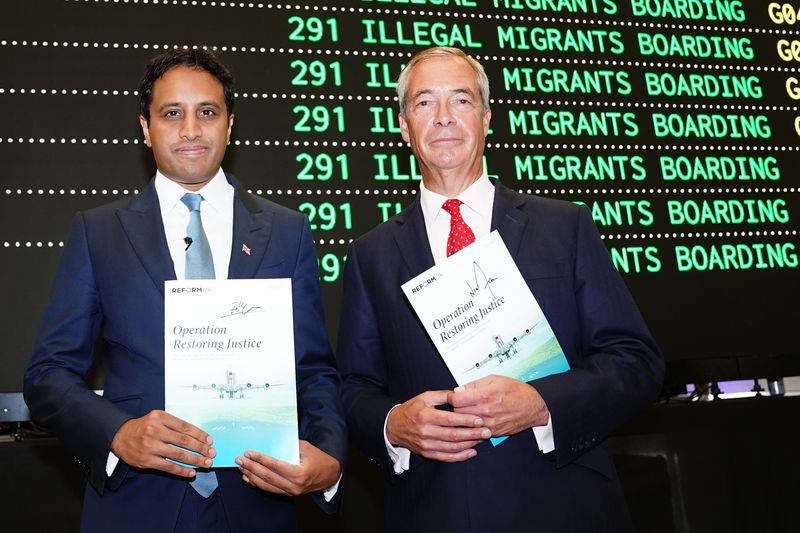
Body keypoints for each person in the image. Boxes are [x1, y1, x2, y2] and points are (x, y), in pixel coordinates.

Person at [337, 46, 664, 533]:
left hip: (565, 505)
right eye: (425, 103)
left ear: (487, 118)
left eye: (461, 100)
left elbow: (636, 362)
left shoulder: (565, 227)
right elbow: (353, 389)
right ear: (404, 127)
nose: (444, 117)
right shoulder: (371, 255)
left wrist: (541, 403)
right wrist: (393, 424)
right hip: (434, 512)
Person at [24, 48, 346, 533]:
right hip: (137, 504)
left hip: (259, 502)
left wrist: (330, 458)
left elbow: (315, 370)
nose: (191, 129)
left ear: (230, 125)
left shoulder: (287, 231)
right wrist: (118, 434)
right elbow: (47, 375)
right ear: (145, 127)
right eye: (172, 113)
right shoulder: (99, 232)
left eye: (208, 112)